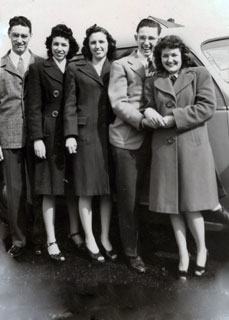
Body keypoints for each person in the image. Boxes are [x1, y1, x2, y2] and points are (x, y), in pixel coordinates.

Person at [143, 35, 219, 279]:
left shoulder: (199, 74)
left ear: (182, 55)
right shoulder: (153, 79)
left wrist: (173, 118)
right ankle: (184, 253)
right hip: (164, 149)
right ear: (159, 58)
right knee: (172, 206)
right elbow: (146, 105)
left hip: (191, 147)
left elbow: (207, 107)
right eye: (165, 56)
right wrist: (150, 111)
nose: (170, 59)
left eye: (174, 55)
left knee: (192, 205)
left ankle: (202, 250)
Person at [26, 24, 83, 262]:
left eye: (64, 44)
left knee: (72, 187)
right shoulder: (39, 68)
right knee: (49, 188)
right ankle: (51, 239)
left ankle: (74, 232)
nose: (60, 48)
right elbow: (34, 107)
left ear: (70, 48)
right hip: (50, 134)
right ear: (50, 46)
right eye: (56, 44)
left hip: (72, 133)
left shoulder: (75, 68)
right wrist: (37, 138)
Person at [108, 18, 161, 273]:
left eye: (152, 38)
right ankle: (131, 253)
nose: (147, 42)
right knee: (129, 201)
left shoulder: (162, 62)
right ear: (136, 37)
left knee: (152, 197)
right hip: (128, 139)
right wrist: (142, 121)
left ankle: (150, 247)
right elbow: (118, 103)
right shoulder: (121, 64)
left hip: (158, 140)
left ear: (157, 39)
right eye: (143, 37)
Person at [64, 24, 117, 263]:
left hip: (111, 135)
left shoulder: (115, 66)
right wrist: (70, 134)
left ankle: (105, 237)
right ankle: (89, 238)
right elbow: (69, 104)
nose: (98, 46)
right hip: (85, 135)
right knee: (86, 188)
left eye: (102, 42)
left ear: (108, 44)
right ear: (88, 45)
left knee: (106, 190)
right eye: (94, 42)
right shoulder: (76, 67)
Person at [0, 16, 44, 257]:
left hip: (37, 138)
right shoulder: (1, 66)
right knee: (15, 191)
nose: (19, 39)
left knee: (37, 189)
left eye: (24, 35)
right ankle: (18, 240)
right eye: (15, 35)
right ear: (9, 35)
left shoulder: (40, 63)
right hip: (10, 136)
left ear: (30, 36)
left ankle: (38, 238)